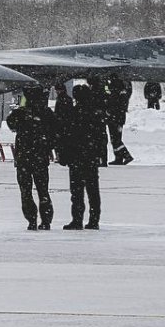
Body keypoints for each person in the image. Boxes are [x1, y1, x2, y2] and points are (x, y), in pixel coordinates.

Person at [54, 84, 105, 230]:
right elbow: (101, 135)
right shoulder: (95, 114)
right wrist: (99, 154)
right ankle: (94, 220)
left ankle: (77, 219)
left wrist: (63, 154)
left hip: (76, 157)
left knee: (77, 191)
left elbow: (66, 135)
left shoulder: (73, 113)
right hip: (89, 157)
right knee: (93, 190)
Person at [6, 87, 54, 230]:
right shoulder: (46, 113)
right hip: (40, 157)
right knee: (43, 190)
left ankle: (31, 219)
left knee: (26, 191)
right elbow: (55, 131)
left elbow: (11, 124)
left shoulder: (20, 113)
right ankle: (46, 220)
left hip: (24, 157)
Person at [104, 74, 135, 165]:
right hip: (120, 117)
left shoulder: (115, 89)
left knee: (115, 139)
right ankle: (118, 157)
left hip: (115, 117)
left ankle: (126, 155)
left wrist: (109, 112)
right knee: (116, 138)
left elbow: (109, 95)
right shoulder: (124, 89)